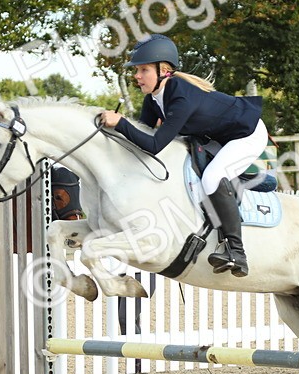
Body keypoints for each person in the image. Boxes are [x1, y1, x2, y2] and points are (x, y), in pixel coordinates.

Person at [99, 34, 266, 277]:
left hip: (247, 134)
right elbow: (139, 139)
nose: (136, 76)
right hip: (219, 137)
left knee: (212, 177)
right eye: (136, 70)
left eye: (143, 70)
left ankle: (237, 252)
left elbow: (155, 144)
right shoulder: (153, 99)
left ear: (163, 71)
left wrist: (121, 123)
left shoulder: (181, 94)